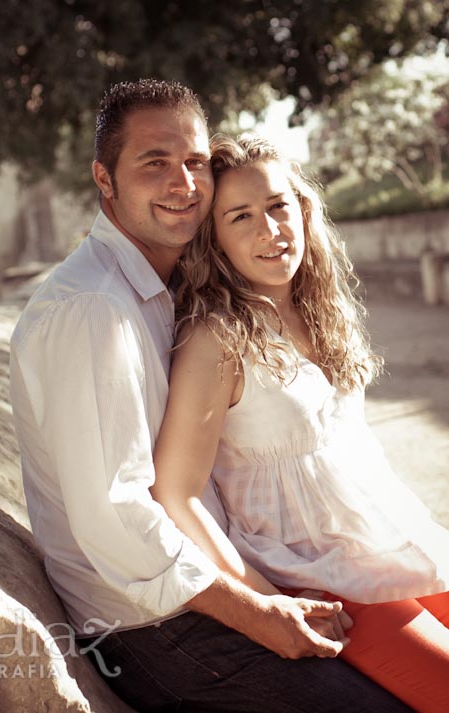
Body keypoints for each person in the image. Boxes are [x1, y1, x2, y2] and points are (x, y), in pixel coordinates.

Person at [9, 78, 409, 711]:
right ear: (104, 179)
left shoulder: (156, 287)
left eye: (194, 161)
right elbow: (118, 516)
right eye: (154, 163)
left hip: (218, 582)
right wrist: (261, 611)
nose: (183, 183)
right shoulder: (93, 309)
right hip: (153, 625)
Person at [150, 133, 449, 712]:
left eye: (278, 205)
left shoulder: (317, 306)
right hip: (318, 574)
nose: (270, 230)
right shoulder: (219, 338)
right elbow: (175, 493)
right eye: (241, 216)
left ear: (302, 208)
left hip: (386, 544)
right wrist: (267, 603)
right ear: (214, 239)